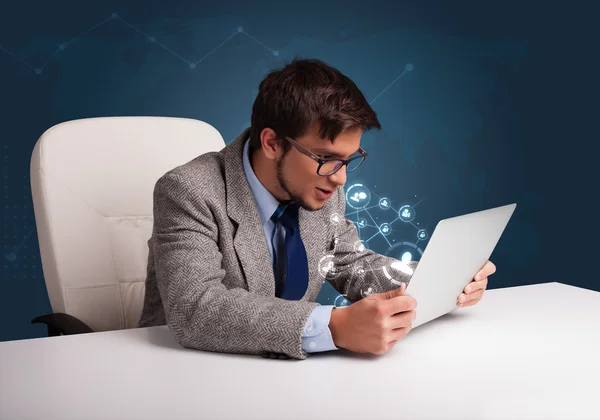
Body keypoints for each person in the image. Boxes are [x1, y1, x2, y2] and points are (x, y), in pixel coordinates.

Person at [137, 58, 496, 360]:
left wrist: (439, 276)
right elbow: (196, 308)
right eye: (325, 158)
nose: (340, 179)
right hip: (185, 371)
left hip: (285, 378)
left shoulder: (320, 187)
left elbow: (351, 264)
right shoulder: (188, 191)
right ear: (272, 142)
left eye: (348, 160)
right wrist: (334, 326)